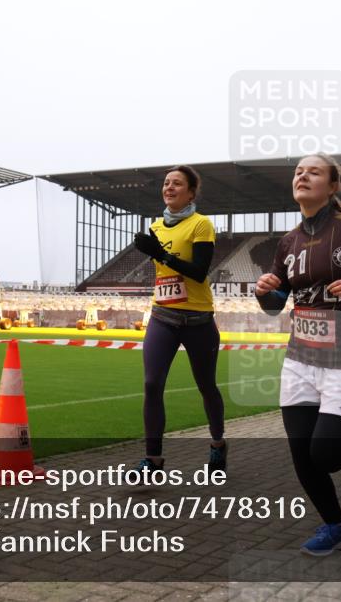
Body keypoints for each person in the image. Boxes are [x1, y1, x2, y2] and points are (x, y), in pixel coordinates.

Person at [254, 152, 341, 556]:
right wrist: (263, 292)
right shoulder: (287, 242)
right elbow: (275, 305)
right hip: (300, 360)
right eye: (298, 171)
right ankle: (336, 527)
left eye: (314, 172)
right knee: (302, 456)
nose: (303, 176)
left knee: (327, 455)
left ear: (332, 186)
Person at [131, 165, 226, 476]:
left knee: (206, 386)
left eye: (176, 184)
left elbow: (199, 272)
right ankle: (153, 460)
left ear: (191, 193)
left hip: (198, 319)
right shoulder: (156, 226)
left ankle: (217, 443)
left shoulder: (201, 224)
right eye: (166, 183)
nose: (169, 188)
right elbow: (164, 273)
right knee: (151, 384)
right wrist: (154, 251)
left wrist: (162, 254)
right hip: (162, 316)